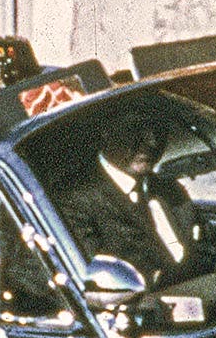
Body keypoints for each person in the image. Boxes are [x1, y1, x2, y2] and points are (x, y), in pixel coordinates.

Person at [52, 106, 205, 286]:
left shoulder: (168, 187)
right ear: (106, 132)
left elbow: (205, 249)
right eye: (137, 130)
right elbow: (99, 283)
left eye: (159, 131)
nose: (152, 142)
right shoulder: (75, 201)